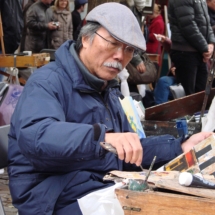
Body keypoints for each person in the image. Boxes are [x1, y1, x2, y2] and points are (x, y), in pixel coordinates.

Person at [8, 2, 213, 214]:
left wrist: (180, 148)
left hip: (97, 186)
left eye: (128, 50)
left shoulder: (106, 88)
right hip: (52, 197)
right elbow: (36, 136)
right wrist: (103, 139)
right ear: (86, 39)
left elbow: (128, 149)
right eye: (112, 43)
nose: (120, 57)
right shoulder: (47, 81)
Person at [168, 0, 215, 96]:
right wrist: (205, 48)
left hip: (199, 52)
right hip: (185, 52)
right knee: (187, 97)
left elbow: (207, 23)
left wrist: (211, 43)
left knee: (202, 96)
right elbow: (188, 26)